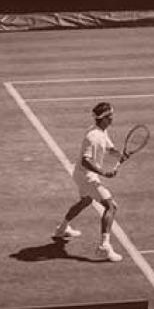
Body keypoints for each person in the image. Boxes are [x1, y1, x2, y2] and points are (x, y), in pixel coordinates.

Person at [53, 101, 124, 263]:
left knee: (85, 201)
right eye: (111, 115)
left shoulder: (100, 131)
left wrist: (119, 155)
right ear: (105, 118)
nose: (113, 117)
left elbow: (110, 149)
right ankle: (105, 246)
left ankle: (61, 229)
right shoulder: (93, 136)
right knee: (111, 206)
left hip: (81, 174)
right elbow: (86, 161)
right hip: (86, 176)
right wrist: (104, 173)